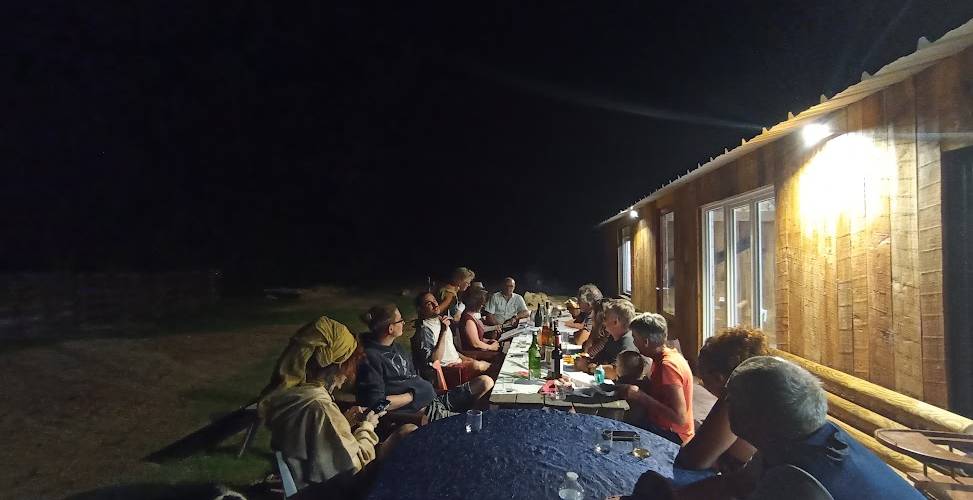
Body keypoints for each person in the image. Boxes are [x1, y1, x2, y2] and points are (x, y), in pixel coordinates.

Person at [664, 357, 925, 500]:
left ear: (754, 416)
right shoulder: (809, 436)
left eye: (729, 400)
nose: (725, 407)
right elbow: (737, 484)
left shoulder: (796, 480)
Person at [258, 318, 416, 495]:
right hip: (341, 491)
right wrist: (367, 427)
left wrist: (345, 423)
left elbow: (315, 442)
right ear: (339, 364)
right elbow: (354, 468)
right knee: (407, 433)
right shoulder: (317, 406)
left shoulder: (291, 397)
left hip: (310, 486)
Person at [356, 303, 493, 421]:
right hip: (424, 413)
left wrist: (425, 391)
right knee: (478, 420)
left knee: (485, 382)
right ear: (390, 328)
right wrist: (413, 395)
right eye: (400, 320)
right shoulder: (370, 358)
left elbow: (412, 378)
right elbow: (376, 403)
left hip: (436, 399)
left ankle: (466, 416)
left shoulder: (397, 348)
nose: (403, 323)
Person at [675, 327, 768, 471]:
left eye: (703, 378)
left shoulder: (738, 396)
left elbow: (694, 458)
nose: (701, 383)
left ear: (719, 378)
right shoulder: (764, 390)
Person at [617, 312, 694, 444]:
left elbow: (680, 417)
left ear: (645, 342)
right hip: (660, 426)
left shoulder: (668, 366)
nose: (634, 342)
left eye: (635, 338)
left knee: (612, 431)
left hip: (672, 435)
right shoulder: (664, 356)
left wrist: (640, 396)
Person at [412, 291, 492, 382]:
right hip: (446, 370)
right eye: (429, 303)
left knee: (489, 366)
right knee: (486, 367)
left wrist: (464, 358)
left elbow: (450, 349)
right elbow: (435, 360)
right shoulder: (425, 330)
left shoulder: (440, 321)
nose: (435, 304)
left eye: (434, 300)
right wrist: (443, 331)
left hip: (457, 362)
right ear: (420, 309)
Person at [574, 299, 638, 376]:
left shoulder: (628, 343)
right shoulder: (612, 337)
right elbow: (600, 358)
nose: (603, 322)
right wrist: (587, 361)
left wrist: (588, 367)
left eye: (605, 318)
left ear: (615, 322)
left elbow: (616, 372)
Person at [457, 288, 501, 352]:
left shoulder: (471, 316)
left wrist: (488, 341)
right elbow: (475, 343)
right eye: (482, 303)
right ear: (476, 304)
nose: (483, 306)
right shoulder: (469, 320)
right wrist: (491, 347)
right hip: (473, 353)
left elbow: (478, 339)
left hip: (478, 351)